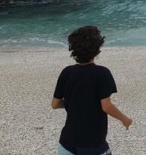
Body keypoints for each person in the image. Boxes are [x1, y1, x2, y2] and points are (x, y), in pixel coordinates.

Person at [52, 26, 133, 155]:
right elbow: (106, 106)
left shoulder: (66, 72)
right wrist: (125, 119)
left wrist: (74, 103)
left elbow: (55, 104)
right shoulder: (102, 73)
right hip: (93, 142)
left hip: (66, 142)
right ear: (97, 49)